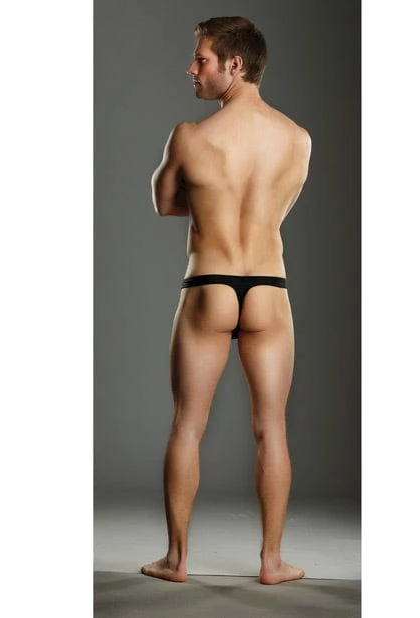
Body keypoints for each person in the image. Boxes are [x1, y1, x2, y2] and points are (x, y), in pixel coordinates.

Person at [141, 16, 312, 585]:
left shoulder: (190, 136)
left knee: (188, 425)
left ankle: (176, 560)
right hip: (269, 288)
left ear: (234, 64)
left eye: (202, 59)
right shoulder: (297, 138)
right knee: (273, 428)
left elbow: (165, 203)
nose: (191, 69)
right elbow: (275, 207)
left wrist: (210, 201)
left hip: (208, 284)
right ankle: (272, 562)